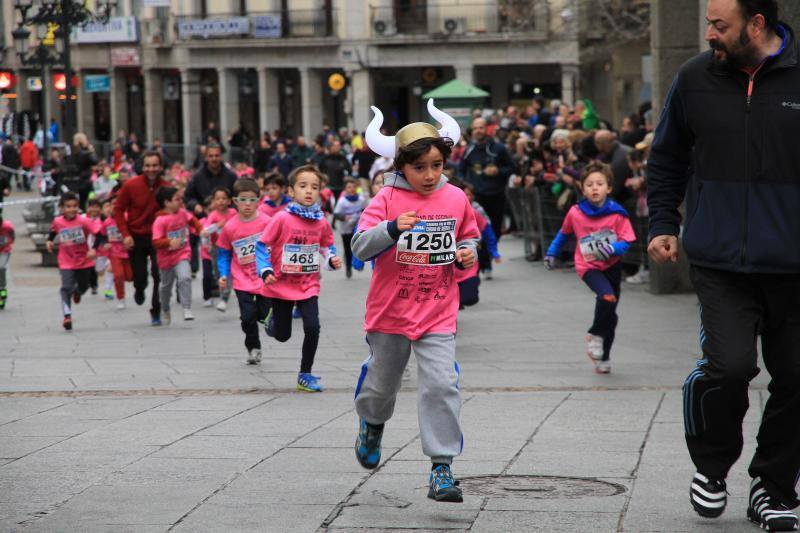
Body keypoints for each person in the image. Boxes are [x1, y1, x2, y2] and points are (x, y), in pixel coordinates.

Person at [646, 1, 800, 529]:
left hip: (794, 266)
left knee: (798, 376)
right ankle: (712, 468)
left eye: (720, 25)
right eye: (710, 23)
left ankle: (774, 487)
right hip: (719, 262)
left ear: (757, 25)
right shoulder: (694, 78)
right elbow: (666, 156)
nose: (710, 33)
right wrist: (663, 223)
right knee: (730, 367)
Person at [351, 101, 479, 503]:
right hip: (390, 312)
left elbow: (469, 236)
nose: (429, 175)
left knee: (442, 384)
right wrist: (390, 228)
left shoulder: (456, 198)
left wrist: (467, 251)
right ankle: (371, 424)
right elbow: (359, 246)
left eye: (437, 165)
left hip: (438, 311)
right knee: (382, 385)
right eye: (419, 167)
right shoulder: (385, 199)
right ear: (401, 166)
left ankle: (442, 468)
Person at [256, 165, 342, 392]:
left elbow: (326, 245)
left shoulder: (321, 221)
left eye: (314, 187)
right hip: (282, 284)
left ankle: (305, 374)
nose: (309, 191)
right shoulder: (281, 219)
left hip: (308, 285)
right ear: (291, 191)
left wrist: (331, 259)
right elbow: (262, 245)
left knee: (313, 327)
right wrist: (265, 270)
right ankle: (272, 321)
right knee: (282, 336)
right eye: (303, 186)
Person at [544, 162, 635, 374]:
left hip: (612, 266)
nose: (595, 188)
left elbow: (627, 241)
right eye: (590, 184)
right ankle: (594, 335)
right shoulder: (575, 212)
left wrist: (612, 248)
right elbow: (563, 234)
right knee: (606, 297)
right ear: (582, 188)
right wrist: (551, 253)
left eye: (600, 184)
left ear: (609, 188)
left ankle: (604, 357)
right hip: (588, 266)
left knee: (611, 314)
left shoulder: (617, 214)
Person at [217, 179, 273, 365]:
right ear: (234, 201)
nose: (247, 204)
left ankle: (265, 320)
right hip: (242, 279)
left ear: (259, 200)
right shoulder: (230, 227)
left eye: (252, 200)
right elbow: (224, 254)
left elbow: (278, 245)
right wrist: (223, 274)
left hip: (264, 277)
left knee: (265, 314)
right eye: (243, 200)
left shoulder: (267, 222)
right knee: (247, 317)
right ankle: (253, 347)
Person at [114, 151, 169, 326]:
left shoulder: (166, 187)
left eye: (154, 165)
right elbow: (118, 210)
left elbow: (173, 211)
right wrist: (125, 234)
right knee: (139, 276)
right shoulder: (131, 185)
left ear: (160, 167)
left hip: (157, 237)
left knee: (158, 273)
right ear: (142, 167)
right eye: (148, 165)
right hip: (135, 236)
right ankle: (139, 288)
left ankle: (156, 309)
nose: (151, 169)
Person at [46, 191, 101, 330]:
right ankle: (67, 316)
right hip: (65, 261)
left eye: (75, 206)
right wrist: (49, 241)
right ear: (62, 208)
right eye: (68, 206)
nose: (72, 209)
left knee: (84, 285)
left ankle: (78, 292)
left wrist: (93, 249)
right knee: (66, 287)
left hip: (83, 260)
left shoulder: (84, 221)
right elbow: (53, 231)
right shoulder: (58, 221)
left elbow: (98, 234)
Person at [152, 186, 204, 324]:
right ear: (166, 202)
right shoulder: (160, 220)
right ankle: (165, 308)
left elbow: (193, 221)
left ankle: (187, 308)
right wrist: (169, 241)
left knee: (185, 278)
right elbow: (156, 241)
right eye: (176, 199)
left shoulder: (182, 213)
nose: (180, 201)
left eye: (180, 199)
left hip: (182, 254)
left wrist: (201, 230)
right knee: (165, 287)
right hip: (166, 259)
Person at [457, 117, 514, 239]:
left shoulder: (499, 148)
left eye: (481, 127)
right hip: (477, 195)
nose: (478, 131)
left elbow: (512, 167)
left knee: (496, 229)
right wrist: (465, 184)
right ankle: (483, 257)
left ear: (487, 129)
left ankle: (491, 254)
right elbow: (460, 170)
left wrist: (498, 171)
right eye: (475, 128)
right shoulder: (469, 150)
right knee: (478, 229)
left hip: (497, 194)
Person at [201, 187, 235, 311]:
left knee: (228, 273)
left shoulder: (234, 214)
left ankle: (224, 298)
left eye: (224, 198)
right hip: (218, 248)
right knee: (219, 273)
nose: (221, 201)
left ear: (230, 201)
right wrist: (217, 226)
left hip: (233, 248)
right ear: (214, 201)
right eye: (217, 199)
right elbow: (204, 232)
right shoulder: (213, 215)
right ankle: (223, 293)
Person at [100, 199, 132, 310]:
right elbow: (102, 235)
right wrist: (105, 243)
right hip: (114, 253)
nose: (114, 207)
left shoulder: (128, 217)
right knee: (118, 276)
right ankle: (121, 298)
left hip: (129, 252)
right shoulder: (107, 222)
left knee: (129, 276)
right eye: (112, 205)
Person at [333, 177, 367, 279]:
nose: (351, 189)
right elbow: (336, 214)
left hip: (357, 228)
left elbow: (365, 210)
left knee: (358, 247)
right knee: (348, 249)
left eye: (353, 187)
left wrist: (362, 215)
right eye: (349, 187)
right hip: (345, 229)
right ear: (345, 190)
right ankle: (348, 267)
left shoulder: (361, 199)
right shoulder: (342, 201)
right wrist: (344, 217)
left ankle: (358, 263)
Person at [0, 214, 14, 309]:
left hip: (4, 251)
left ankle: (2, 289)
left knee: (1, 268)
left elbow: (13, 237)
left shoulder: (7, 227)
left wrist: (8, 243)